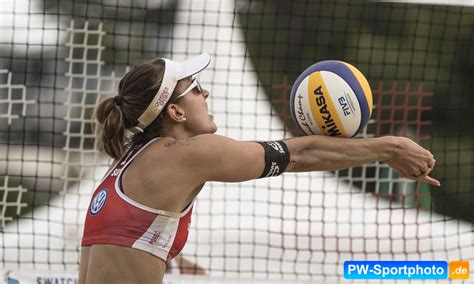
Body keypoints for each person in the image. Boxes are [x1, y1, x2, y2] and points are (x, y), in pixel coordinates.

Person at [78, 53, 439, 283]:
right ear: (176, 112)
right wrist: (391, 148)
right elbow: (298, 155)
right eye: (196, 89)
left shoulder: (126, 166)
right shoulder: (183, 154)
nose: (205, 95)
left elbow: (123, 253)